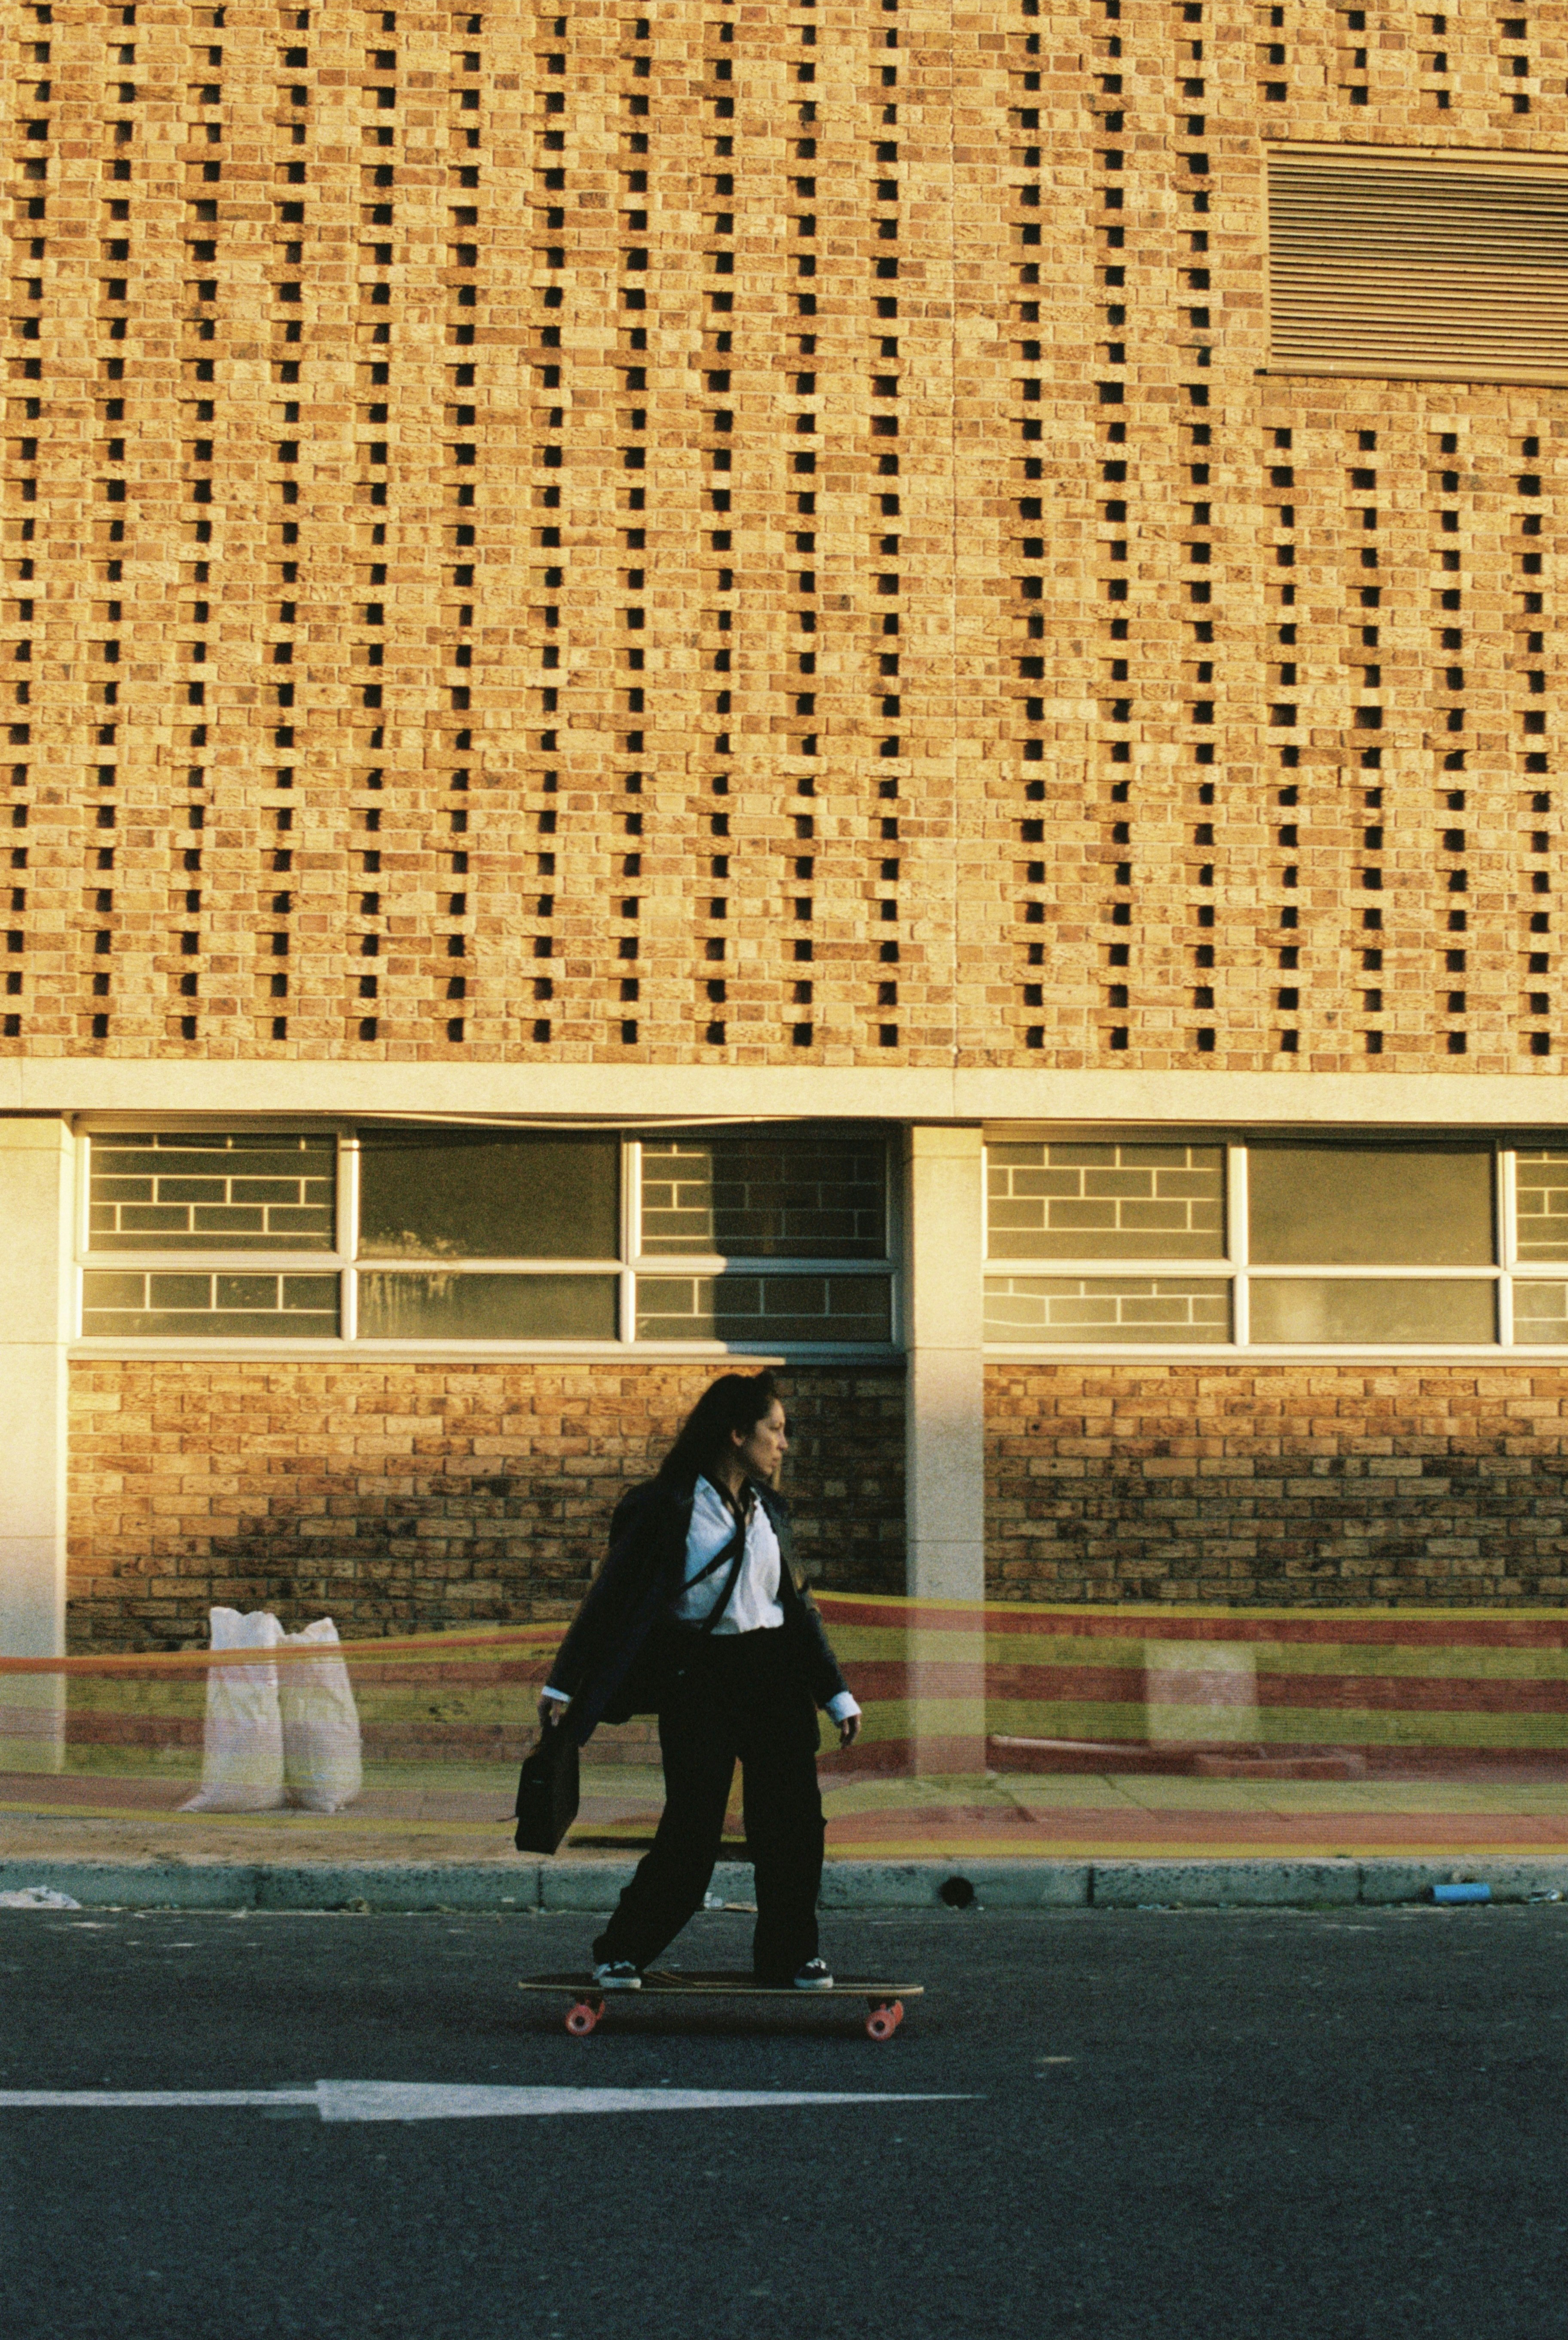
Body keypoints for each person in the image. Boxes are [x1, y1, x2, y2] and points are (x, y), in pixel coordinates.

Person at [538, 1371, 861, 1991]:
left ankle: (790, 1955)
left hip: (773, 1677)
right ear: (736, 1433)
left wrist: (833, 1691)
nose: (784, 1444)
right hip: (699, 1677)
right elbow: (610, 1600)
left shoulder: (770, 1509)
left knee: (793, 1824)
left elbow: (795, 1607)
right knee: (692, 1825)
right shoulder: (664, 1505)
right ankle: (622, 1950)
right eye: (775, 1430)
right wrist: (564, 1684)